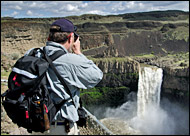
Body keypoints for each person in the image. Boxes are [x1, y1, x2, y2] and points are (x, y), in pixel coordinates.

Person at [31, 18, 103, 135]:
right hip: (60, 128)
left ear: (49, 38)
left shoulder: (33, 54)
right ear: (70, 38)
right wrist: (78, 53)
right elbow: (97, 76)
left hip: (36, 125)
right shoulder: (71, 61)